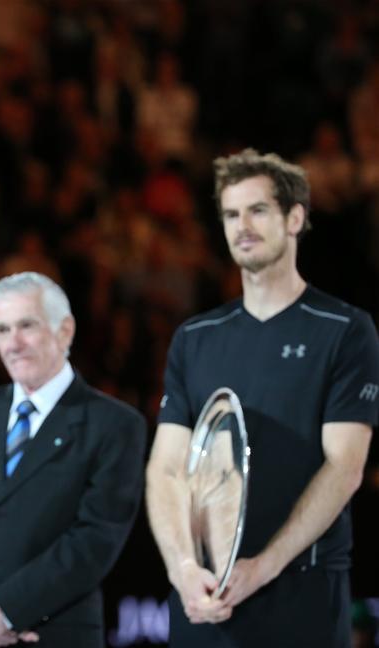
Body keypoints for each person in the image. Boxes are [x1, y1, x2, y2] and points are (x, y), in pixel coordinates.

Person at [146, 149, 379, 648]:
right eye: (231, 214)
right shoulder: (195, 336)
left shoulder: (345, 330)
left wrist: (262, 568)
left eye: (257, 210)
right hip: (205, 601)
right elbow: (166, 468)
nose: (241, 226)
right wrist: (184, 567)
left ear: (295, 218)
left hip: (303, 595)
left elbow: (345, 467)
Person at [0, 272, 146, 647]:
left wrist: (6, 610)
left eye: (27, 325)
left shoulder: (116, 424)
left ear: (65, 330)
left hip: (51, 632)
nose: (14, 343)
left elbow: (95, 539)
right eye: (2, 329)